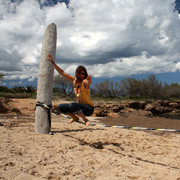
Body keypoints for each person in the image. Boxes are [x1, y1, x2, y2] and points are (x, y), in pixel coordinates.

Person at [47, 54, 94, 126]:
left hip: (88, 109)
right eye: (80, 73)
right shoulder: (74, 81)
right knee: (60, 107)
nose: (82, 75)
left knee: (72, 105)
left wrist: (89, 80)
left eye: (84, 74)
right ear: (77, 74)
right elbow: (62, 73)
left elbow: (88, 83)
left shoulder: (84, 81)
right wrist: (53, 63)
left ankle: (86, 120)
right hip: (80, 108)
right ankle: (75, 118)